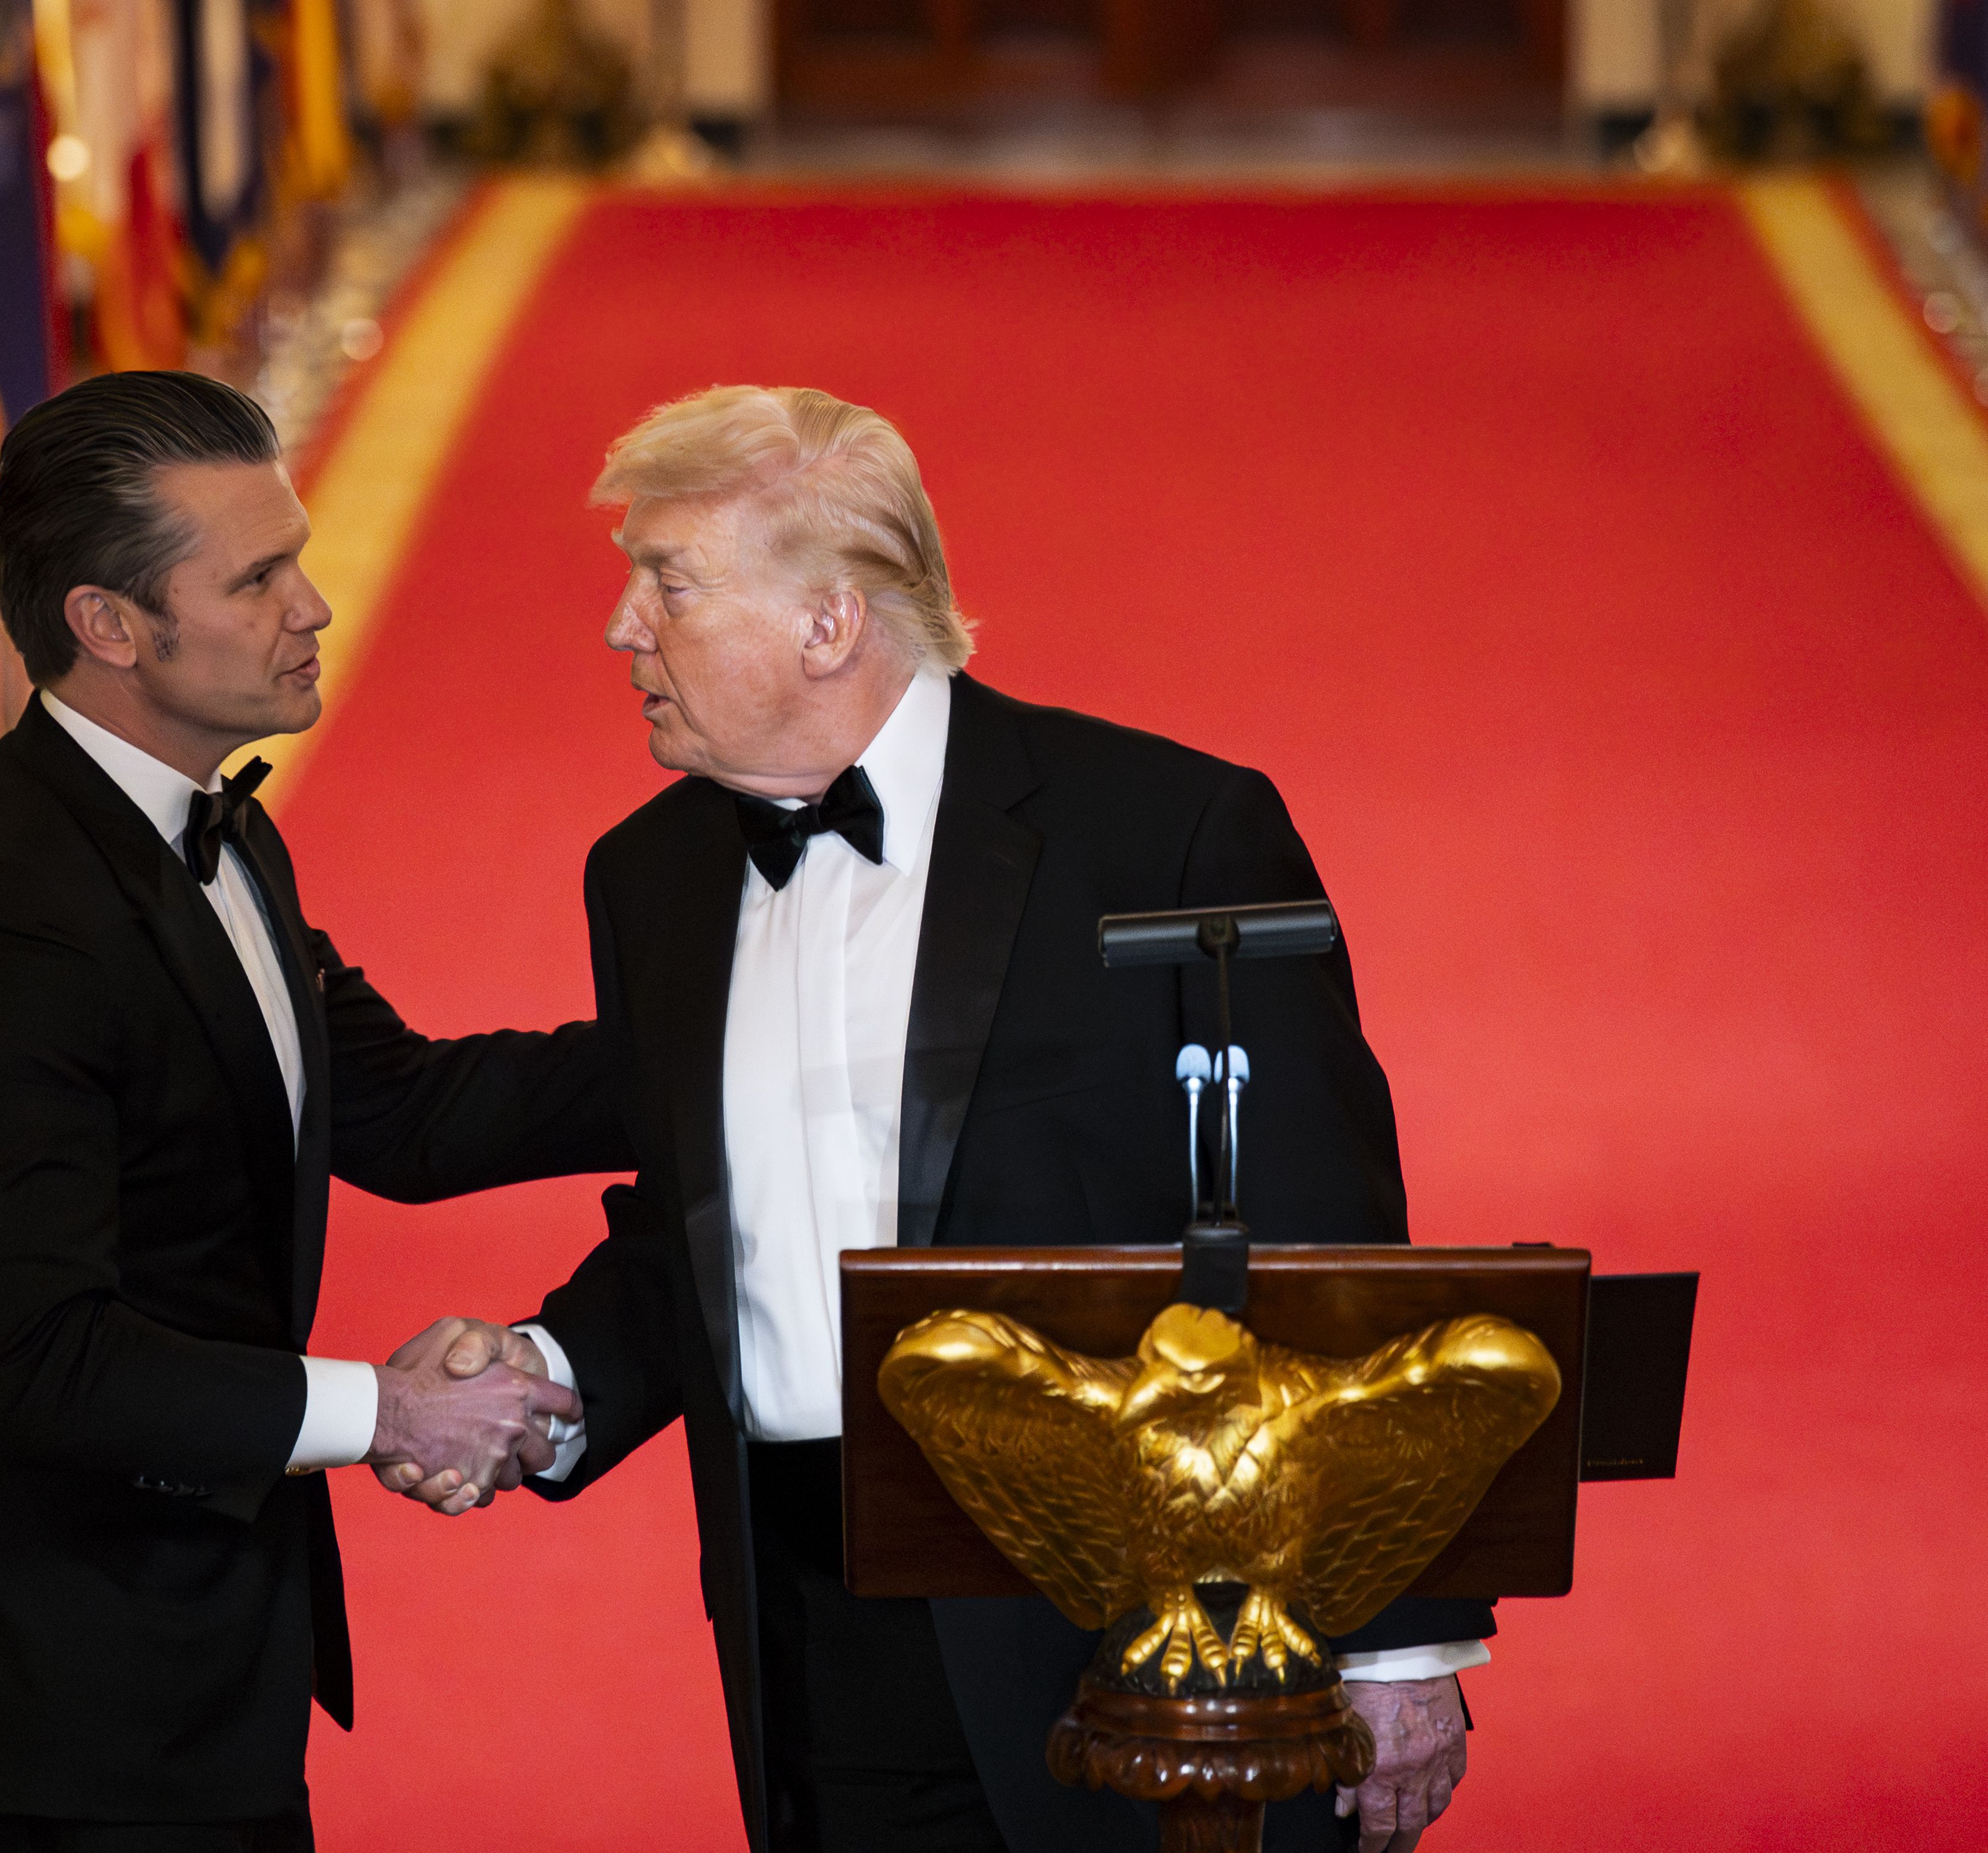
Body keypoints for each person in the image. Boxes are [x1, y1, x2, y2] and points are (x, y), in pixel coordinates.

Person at [386, 387, 1489, 1853]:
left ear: (830, 624)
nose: (620, 626)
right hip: (815, 1637)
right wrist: (551, 1372)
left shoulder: (1165, 831)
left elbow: (1324, 1223)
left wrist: (1402, 1644)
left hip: (1147, 1634)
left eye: (670, 579)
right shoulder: (646, 880)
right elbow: (709, 1230)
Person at [0, 370, 624, 1852]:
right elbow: (38, 1363)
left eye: (298, 556)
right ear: (108, 626)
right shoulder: (7, 926)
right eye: (256, 578)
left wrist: (719, 1052)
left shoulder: (209, 826)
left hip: (180, 1661)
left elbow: (408, 1108)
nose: (312, 606)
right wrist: (388, 1409)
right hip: (55, 1698)